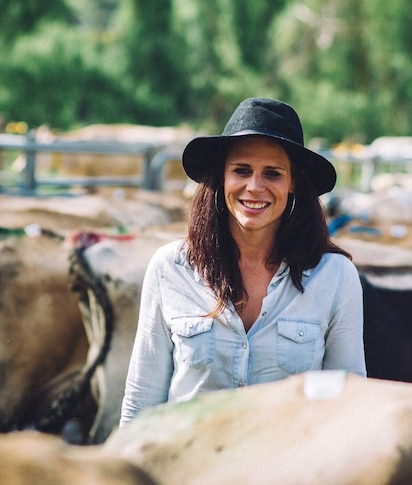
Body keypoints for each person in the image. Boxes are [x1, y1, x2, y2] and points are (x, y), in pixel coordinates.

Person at [119, 97, 365, 426]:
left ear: (292, 183)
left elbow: (347, 401)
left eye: (272, 174)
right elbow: (143, 396)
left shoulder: (335, 277)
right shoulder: (169, 268)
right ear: (222, 177)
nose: (254, 187)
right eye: (242, 171)